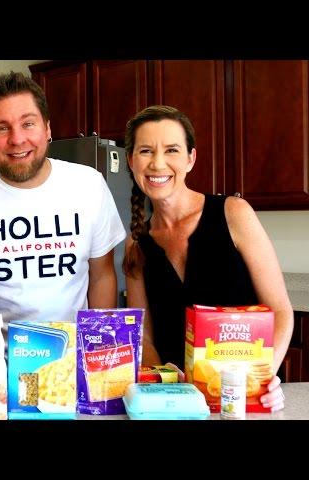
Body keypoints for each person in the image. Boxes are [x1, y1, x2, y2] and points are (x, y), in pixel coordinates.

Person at [123, 105, 293, 412]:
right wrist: (166, 393)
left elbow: (280, 310)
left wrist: (265, 378)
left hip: (242, 401)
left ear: (191, 158)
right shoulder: (136, 244)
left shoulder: (234, 214)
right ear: (131, 160)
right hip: (178, 406)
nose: (157, 163)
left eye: (171, 149)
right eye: (146, 150)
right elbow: (143, 335)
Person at [0, 71, 126, 331]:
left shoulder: (89, 185)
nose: (17, 139)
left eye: (28, 124)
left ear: (47, 127)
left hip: (70, 361)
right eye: (2, 128)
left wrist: (96, 353)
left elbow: (102, 276)